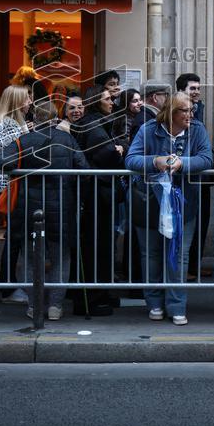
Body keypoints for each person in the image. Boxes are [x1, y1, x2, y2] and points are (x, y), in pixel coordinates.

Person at [126, 92, 213, 325]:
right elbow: (131, 159)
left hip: (184, 204)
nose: (190, 114)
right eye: (185, 110)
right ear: (171, 112)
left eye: (192, 109)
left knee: (179, 256)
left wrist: (183, 163)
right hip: (148, 202)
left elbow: (207, 158)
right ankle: (154, 304)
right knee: (151, 255)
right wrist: (155, 161)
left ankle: (177, 306)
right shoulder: (148, 129)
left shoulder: (197, 129)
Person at [0, 101, 88, 321]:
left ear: (34, 119)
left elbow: (3, 161)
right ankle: (55, 306)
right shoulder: (67, 139)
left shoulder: (23, 140)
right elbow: (84, 168)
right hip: (62, 206)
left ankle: (34, 304)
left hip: (30, 207)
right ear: (56, 117)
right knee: (61, 257)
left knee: (30, 258)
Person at [71, 85, 125, 315]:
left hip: (95, 194)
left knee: (98, 246)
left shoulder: (95, 123)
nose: (112, 102)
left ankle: (99, 294)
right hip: (94, 196)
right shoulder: (93, 124)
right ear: (96, 102)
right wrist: (120, 150)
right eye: (107, 99)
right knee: (95, 246)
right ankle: (92, 299)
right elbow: (108, 155)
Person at [0, 85, 32, 304]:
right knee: (14, 238)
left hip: (12, 184)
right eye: (26, 98)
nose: (30, 102)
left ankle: (10, 282)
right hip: (10, 184)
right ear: (17, 102)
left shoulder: (14, 123)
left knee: (14, 236)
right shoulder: (8, 124)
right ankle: (8, 286)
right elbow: (15, 154)